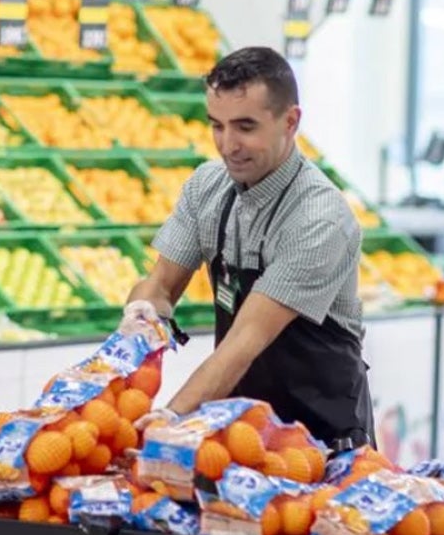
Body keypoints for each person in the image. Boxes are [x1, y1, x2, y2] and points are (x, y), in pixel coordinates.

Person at [121, 46, 373, 449]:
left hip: (318, 441)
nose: (227, 144)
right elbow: (161, 285)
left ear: (290, 121)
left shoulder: (318, 219)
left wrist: (170, 418)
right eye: (216, 126)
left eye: (245, 127)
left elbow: (244, 342)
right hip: (240, 435)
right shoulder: (208, 187)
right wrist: (135, 326)